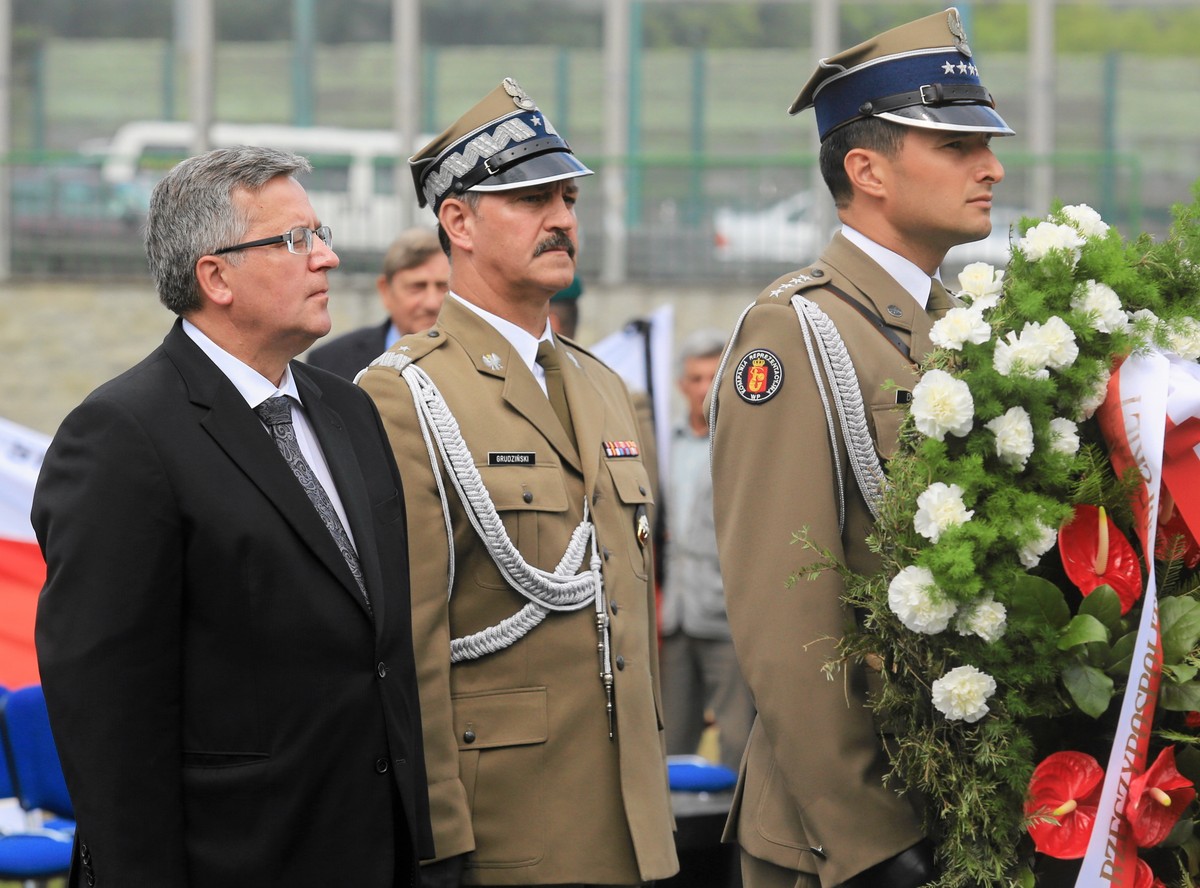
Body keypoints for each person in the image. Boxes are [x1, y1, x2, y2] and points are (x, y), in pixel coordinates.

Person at [32, 145, 434, 888]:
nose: (328, 258)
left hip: (373, 849)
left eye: (321, 233)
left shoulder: (348, 410)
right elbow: (109, 714)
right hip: (232, 858)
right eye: (295, 240)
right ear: (215, 276)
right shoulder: (123, 435)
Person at [709, 10, 1013, 888]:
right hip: (845, 830)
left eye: (986, 144)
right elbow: (784, 615)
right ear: (866, 168)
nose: (990, 166)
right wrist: (869, 835)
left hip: (966, 795)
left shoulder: (952, 329)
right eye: (956, 145)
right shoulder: (796, 329)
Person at [357, 78, 678, 888]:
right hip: (509, 827)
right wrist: (439, 837)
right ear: (457, 222)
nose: (563, 218)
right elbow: (412, 640)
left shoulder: (604, 384)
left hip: (632, 821)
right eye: (531, 198)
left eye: (567, 197)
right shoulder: (405, 392)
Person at [660, 328, 753, 773]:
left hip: (726, 618)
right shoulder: (663, 443)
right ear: (682, 385)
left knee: (738, 742)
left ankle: (736, 841)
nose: (703, 388)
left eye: (713, 377)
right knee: (670, 743)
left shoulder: (741, 444)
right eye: (695, 378)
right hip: (673, 618)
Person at [307, 225, 450, 379]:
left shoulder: (475, 357)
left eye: (443, 287)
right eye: (417, 287)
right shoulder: (330, 363)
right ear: (385, 291)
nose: (432, 303)